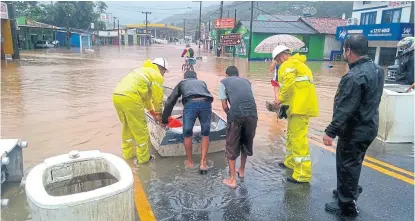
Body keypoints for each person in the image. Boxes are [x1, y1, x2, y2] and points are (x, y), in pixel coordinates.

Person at [323, 34, 384, 217]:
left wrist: (330, 131)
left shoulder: (353, 76)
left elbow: (346, 108)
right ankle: (345, 192)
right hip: (369, 126)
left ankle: (347, 207)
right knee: (353, 163)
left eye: (344, 49)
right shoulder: (377, 69)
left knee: (347, 165)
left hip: (354, 130)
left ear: (348, 50)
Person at [272, 45, 319, 184]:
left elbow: (288, 85)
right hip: (298, 107)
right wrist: (285, 106)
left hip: (300, 108)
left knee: (298, 140)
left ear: (280, 57)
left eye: (277, 61)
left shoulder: (287, 65)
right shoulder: (299, 65)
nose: (278, 64)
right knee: (292, 136)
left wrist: (279, 100)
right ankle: (291, 163)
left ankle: (303, 174)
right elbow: (295, 88)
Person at [112, 58, 168, 164]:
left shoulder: (143, 71)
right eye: (164, 72)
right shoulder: (156, 76)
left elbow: (146, 100)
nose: (163, 75)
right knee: (142, 132)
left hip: (117, 96)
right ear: (161, 68)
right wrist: (159, 115)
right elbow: (158, 99)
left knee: (127, 128)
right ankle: (144, 161)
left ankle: (128, 156)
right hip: (131, 97)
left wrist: (153, 114)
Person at [162, 70, 213, 173]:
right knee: (205, 133)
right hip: (206, 103)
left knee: (187, 133)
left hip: (191, 104)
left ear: (184, 77)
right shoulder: (202, 83)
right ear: (196, 77)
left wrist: (165, 119)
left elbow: (171, 101)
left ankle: (190, 162)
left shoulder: (182, 83)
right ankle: (203, 163)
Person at [219, 66, 258, 189]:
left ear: (226, 74)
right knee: (245, 143)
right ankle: (241, 171)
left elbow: (224, 105)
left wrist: (230, 115)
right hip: (252, 115)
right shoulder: (247, 82)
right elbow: (251, 99)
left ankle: (232, 180)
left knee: (231, 146)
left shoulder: (223, 82)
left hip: (236, 115)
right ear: (238, 74)